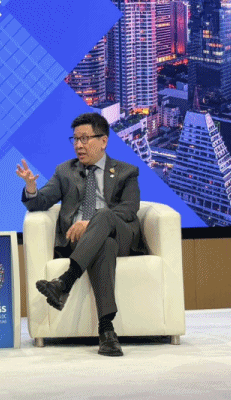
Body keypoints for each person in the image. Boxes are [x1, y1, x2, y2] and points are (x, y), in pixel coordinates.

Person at [16, 112, 143, 357]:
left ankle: (65, 282)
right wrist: (31, 188)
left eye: (85, 138)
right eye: (75, 139)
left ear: (103, 141)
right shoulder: (65, 171)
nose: (78, 145)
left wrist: (91, 223)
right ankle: (106, 331)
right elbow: (39, 202)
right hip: (80, 242)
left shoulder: (127, 171)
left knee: (103, 217)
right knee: (104, 245)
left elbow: (129, 209)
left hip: (122, 236)